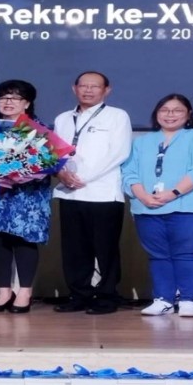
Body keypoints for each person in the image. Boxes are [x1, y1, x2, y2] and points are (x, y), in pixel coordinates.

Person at [122, 94, 193, 317]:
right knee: (158, 255)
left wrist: (173, 193)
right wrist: (142, 196)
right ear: (156, 114)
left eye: (177, 110)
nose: (170, 114)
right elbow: (129, 172)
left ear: (188, 114)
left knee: (188, 254)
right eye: (164, 110)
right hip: (147, 207)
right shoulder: (142, 142)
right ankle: (163, 299)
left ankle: (188, 300)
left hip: (189, 207)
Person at [52, 71, 132, 315]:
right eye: (83, 86)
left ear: (106, 90)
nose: (88, 90)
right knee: (74, 249)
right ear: (74, 88)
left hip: (103, 193)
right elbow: (55, 154)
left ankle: (107, 296)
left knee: (105, 248)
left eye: (94, 86)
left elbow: (119, 153)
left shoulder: (117, 116)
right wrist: (61, 174)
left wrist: (83, 178)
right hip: (69, 193)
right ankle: (79, 295)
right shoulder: (62, 118)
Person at [0, 80, 52, 314]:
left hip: (26, 195)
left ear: (27, 103)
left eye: (15, 98)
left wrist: (19, 174)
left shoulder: (36, 130)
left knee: (23, 239)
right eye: (4, 97)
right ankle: (4, 291)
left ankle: (25, 291)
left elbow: (47, 164)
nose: (8, 102)